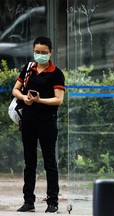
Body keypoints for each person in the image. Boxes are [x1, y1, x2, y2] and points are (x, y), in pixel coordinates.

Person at [12, 36, 65, 213]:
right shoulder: (28, 69)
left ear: (50, 53)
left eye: (44, 52)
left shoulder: (56, 73)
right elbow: (15, 90)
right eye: (37, 52)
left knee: (50, 161)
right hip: (28, 119)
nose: (40, 55)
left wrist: (39, 99)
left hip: (47, 120)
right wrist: (24, 98)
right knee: (29, 161)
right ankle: (28, 201)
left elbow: (59, 100)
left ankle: (53, 202)